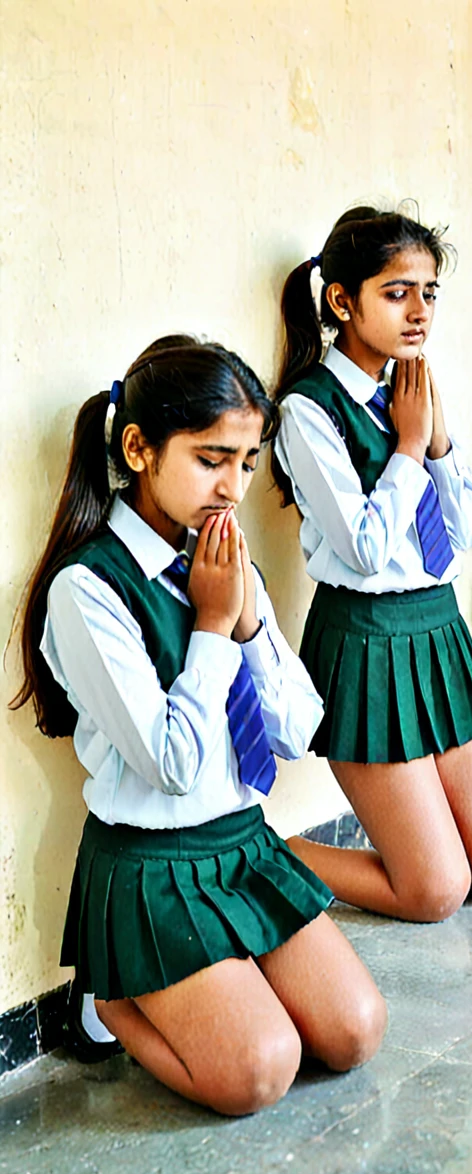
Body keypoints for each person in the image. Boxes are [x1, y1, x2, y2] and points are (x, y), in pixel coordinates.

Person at [12, 336, 386, 1115]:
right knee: (258, 1072)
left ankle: (225, 974)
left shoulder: (222, 562)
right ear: (139, 448)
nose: (234, 486)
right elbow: (170, 765)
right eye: (213, 457)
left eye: (249, 462)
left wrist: (248, 628)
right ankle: (114, 1000)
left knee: (355, 1032)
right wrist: (214, 628)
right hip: (153, 867)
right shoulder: (88, 589)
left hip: (244, 845)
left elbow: (298, 726)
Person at [272, 205, 472, 921]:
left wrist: (435, 438)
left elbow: (464, 529)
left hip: (437, 629)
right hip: (368, 636)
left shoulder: (409, 391)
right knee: (434, 891)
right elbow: (362, 547)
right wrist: (408, 449)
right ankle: (275, 853)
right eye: (396, 291)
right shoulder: (307, 410)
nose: (420, 312)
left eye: (429, 292)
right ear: (341, 300)